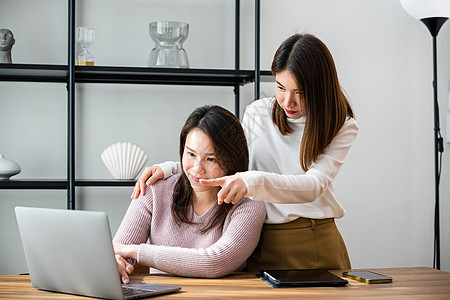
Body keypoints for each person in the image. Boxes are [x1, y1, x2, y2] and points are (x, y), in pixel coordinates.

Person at [131, 33, 359, 271]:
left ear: (320, 88)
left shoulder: (341, 125)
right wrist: (170, 168)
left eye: (300, 92)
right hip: (259, 236)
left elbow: (314, 186)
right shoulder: (258, 113)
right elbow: (225, 159)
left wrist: (250, 182)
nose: (287, 101)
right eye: (280, 87)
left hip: (314, 239)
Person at [113, 105, 266, 283]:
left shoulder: (249, 203)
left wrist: (136, 251)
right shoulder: (154, 190)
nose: (196, 169)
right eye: (191, 154)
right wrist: (116, 262)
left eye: (211, 159)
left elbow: (216, 262)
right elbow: (118, 252)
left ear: (232, 159)